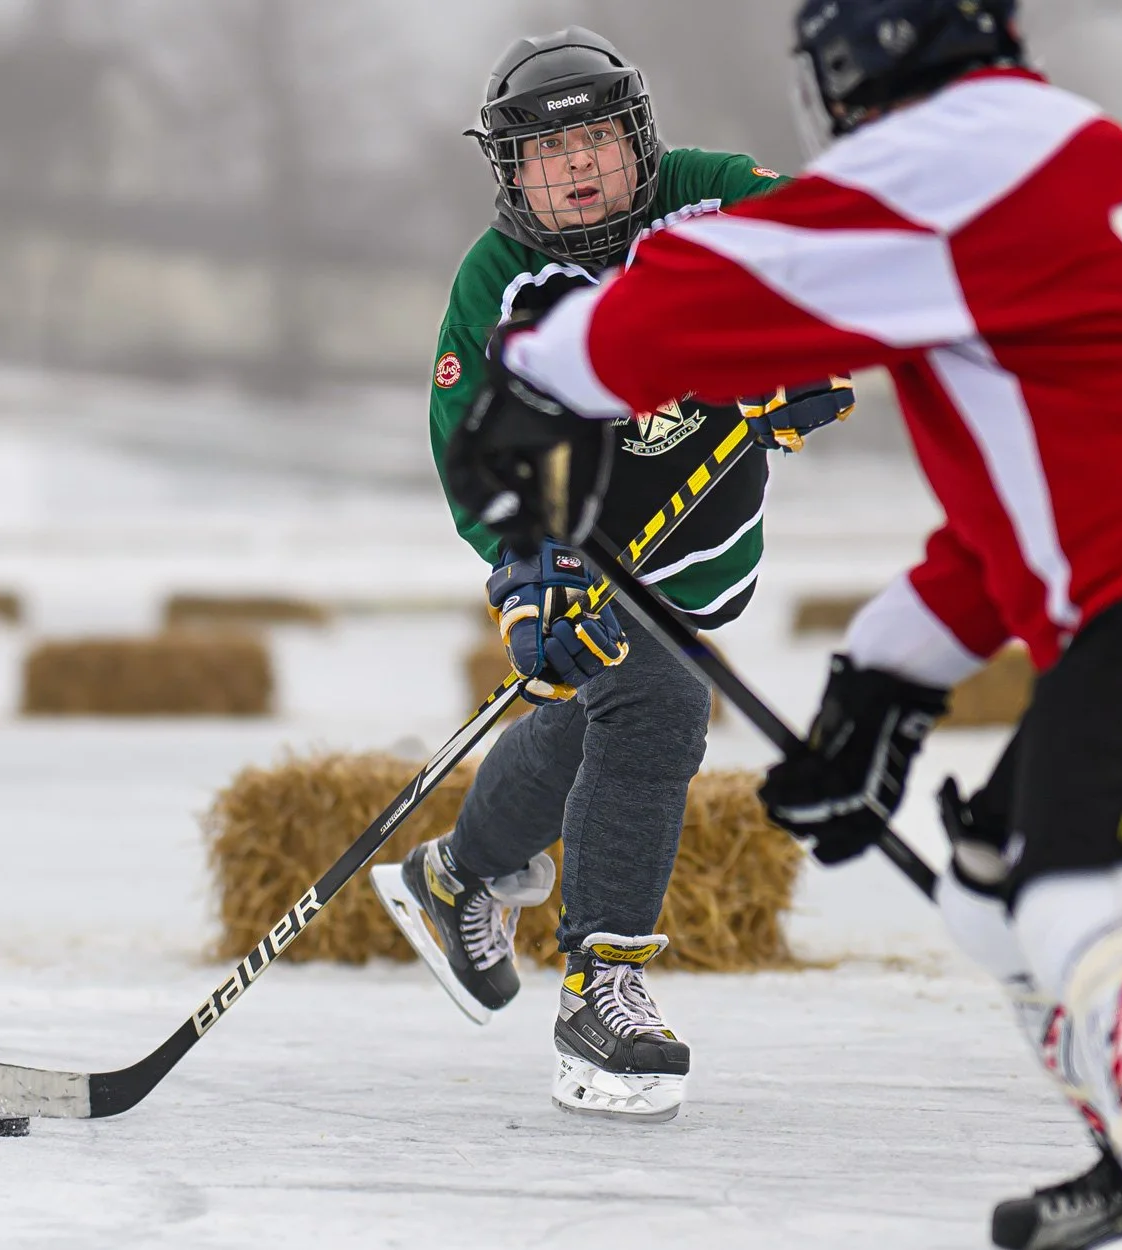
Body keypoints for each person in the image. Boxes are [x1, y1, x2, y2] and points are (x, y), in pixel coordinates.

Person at [440, 1, 1122, 1246]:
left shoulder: (942, 162)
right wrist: (888, 676)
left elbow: (707, 297)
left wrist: (543, 385)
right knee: (996, 874)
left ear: (848, 67)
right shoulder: (1061, 144)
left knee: (1080, 891)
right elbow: (1021, 489)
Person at [385, 25, 852, 1124]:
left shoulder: (711, 197)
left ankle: (455, 873)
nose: (577, 165)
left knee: (611, 709)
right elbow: (472, 452)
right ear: (513, 172)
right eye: (548, 153)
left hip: (702, 543)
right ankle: (601, 992)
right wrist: (525, 578)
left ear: (636, 139)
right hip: (584, 544)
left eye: (595, 136)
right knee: (655, 698)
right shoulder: (497, 283)